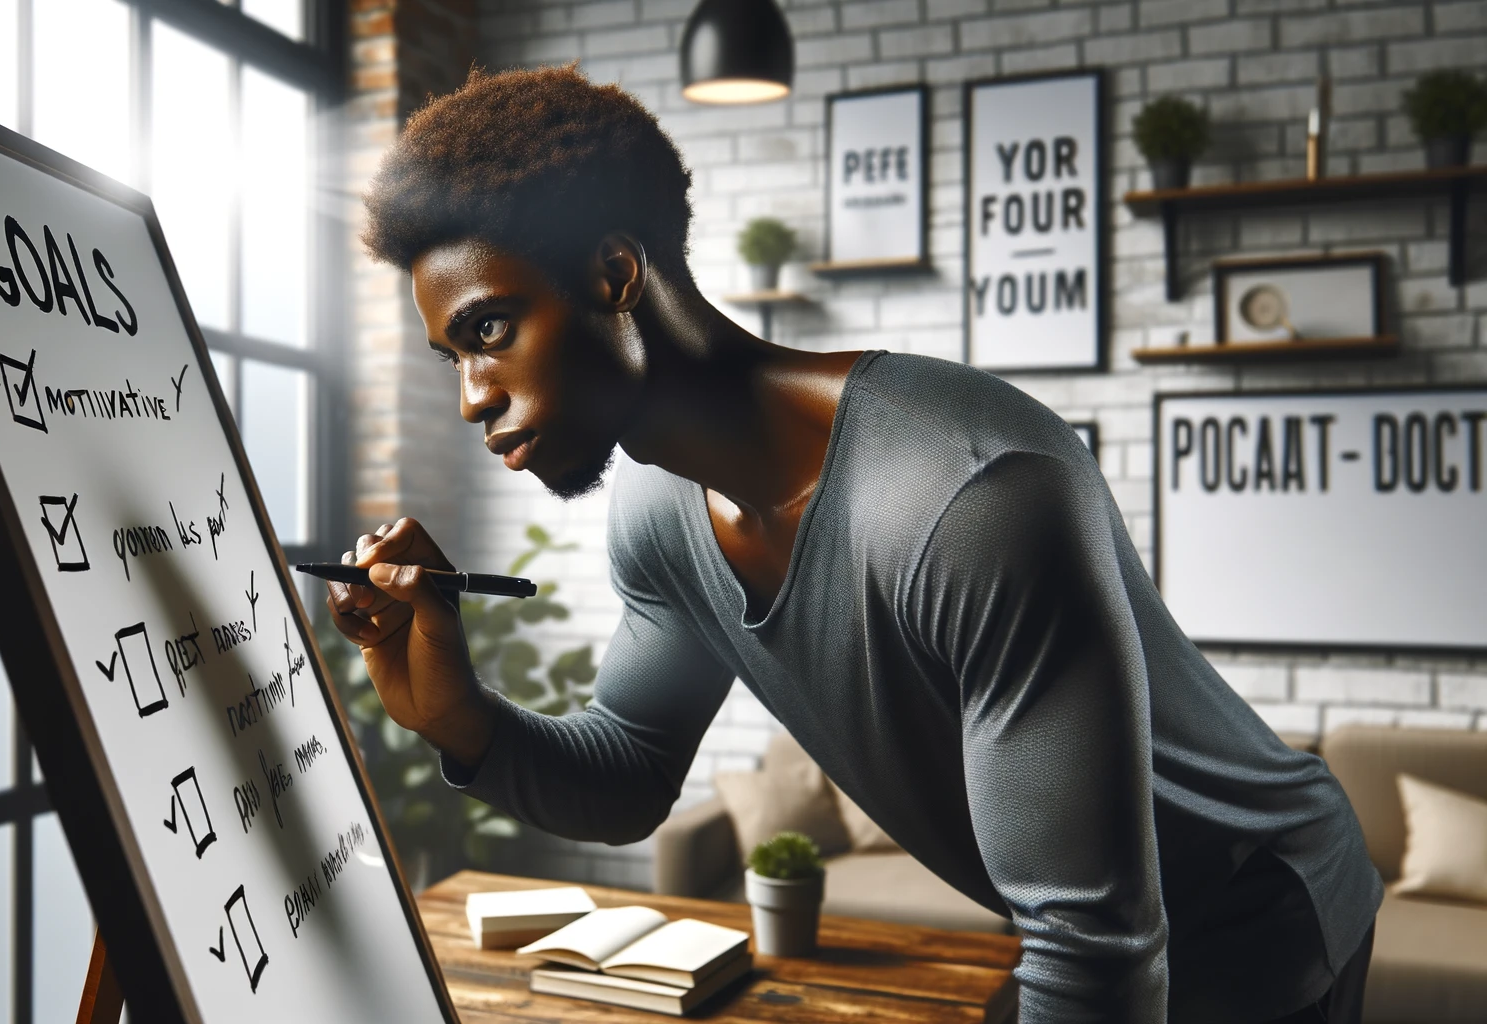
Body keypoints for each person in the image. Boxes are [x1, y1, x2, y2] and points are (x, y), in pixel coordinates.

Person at [330, 65, 1381, 1023]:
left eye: (488, 330)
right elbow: (629, 776)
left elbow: (1093, 947)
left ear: (612, 274)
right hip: (1091, 934)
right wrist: (459, 717)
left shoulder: (969, 494)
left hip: (1266, 902)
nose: (472, 397)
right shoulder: (657, 510)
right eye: (449, 357)